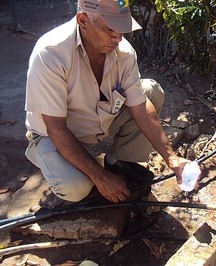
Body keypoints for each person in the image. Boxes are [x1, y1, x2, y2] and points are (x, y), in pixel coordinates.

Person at [24, 0, 200, 203]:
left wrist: (173, 159)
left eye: (122, 29)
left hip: (94, 125)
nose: (118, 37)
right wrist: (99, 176)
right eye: (110, 29)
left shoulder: (123, 52)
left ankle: (120, 161)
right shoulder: (50, 54)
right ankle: (82, 173)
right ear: (83, 20)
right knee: (76, 189)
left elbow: (140, 106)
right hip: (53, 135)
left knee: (151, 91)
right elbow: (56, 128)